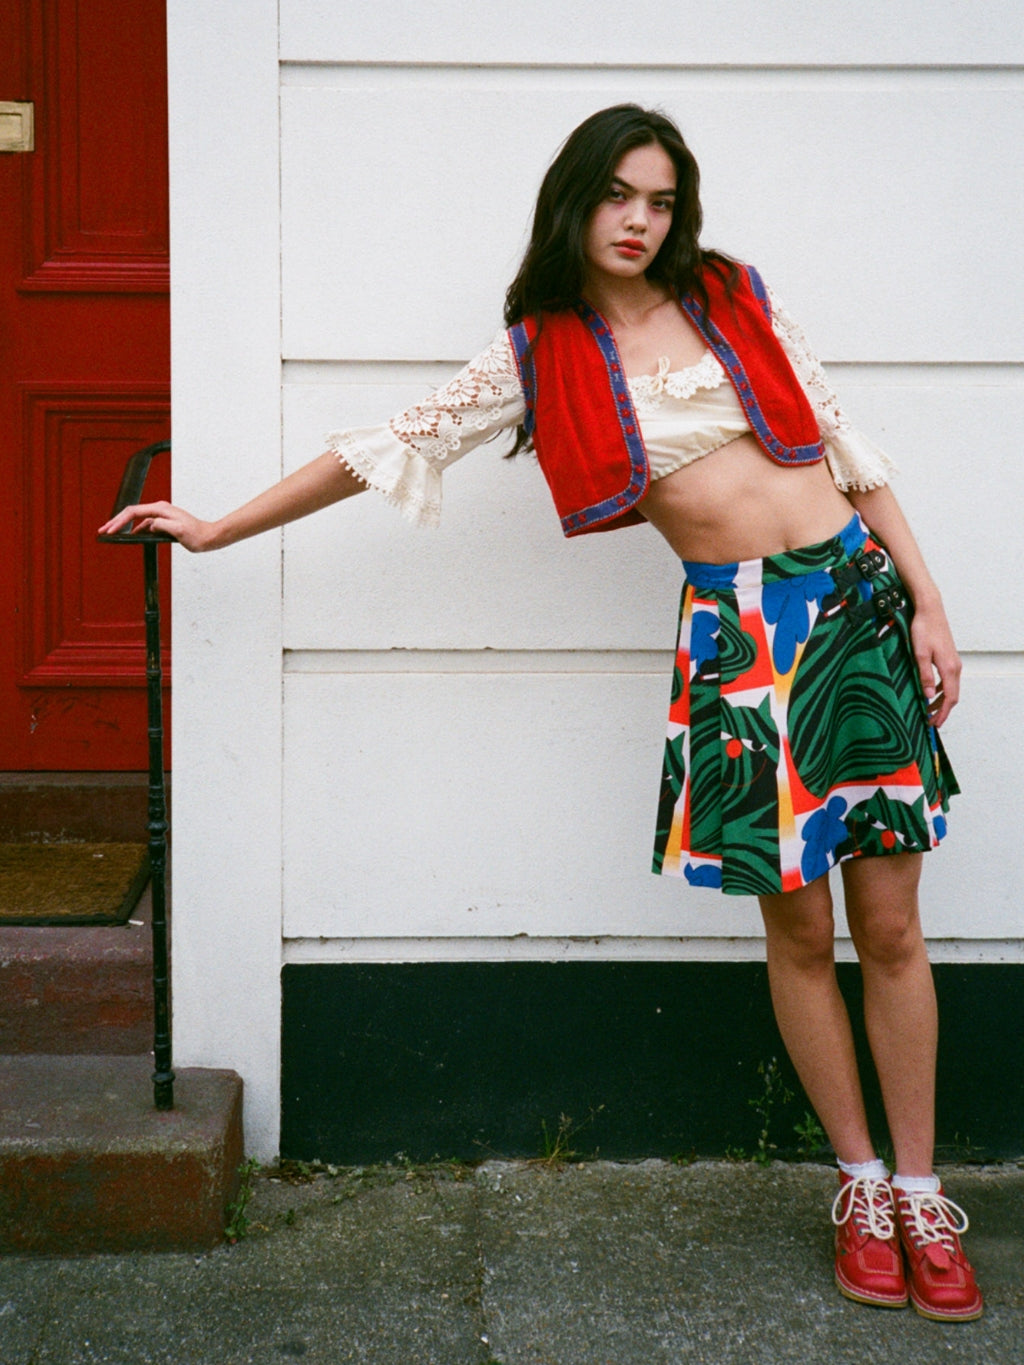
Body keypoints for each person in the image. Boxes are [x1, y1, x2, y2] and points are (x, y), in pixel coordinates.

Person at [100, 104, 981, 1322]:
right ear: (576, 199)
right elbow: (384, 448)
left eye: (660, 200)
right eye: (618, 195)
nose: (639, 220)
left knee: (889, 928)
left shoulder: (732, 298)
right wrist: (216, 527)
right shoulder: (537, 352)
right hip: (740, 640)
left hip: (858, 611)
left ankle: (924, 1195)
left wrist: (928, 602)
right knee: (796, 931)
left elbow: (845, 450)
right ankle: (860, 1185)